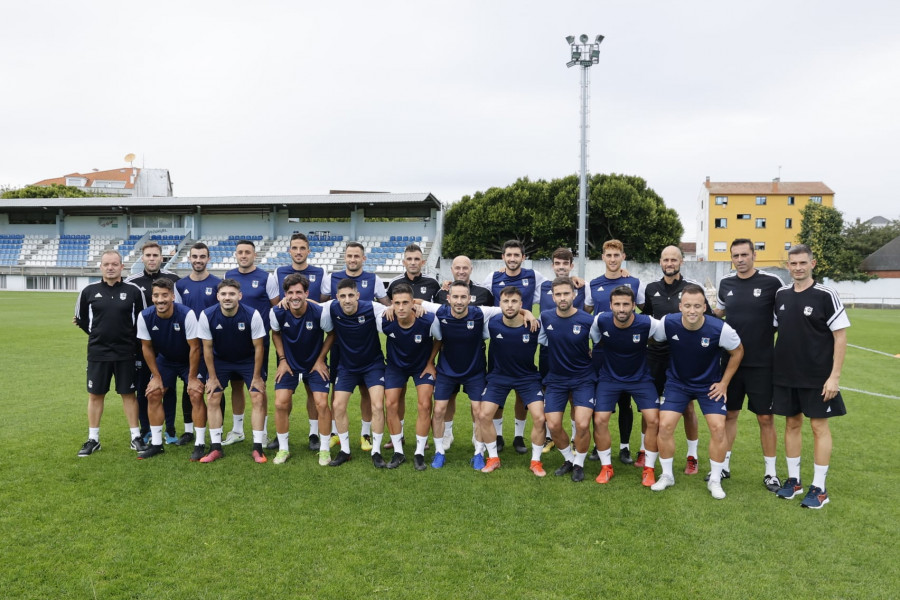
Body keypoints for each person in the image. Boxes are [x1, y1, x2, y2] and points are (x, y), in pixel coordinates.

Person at [772, 244, 849, 509]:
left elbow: (840, 336)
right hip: (785, 374)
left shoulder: (826, 294)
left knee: (818, 427)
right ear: (787, 265)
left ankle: (819, 487)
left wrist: (834, 377)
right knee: (791, 424)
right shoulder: (781, 294)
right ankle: (794, 481)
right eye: (793, 264)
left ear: (813, 264)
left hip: (817, 376)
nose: (798, 268)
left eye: (803, 263)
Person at [650, 284, 744, 500]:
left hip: (708, 385)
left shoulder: (719, 329)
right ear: (680, 306)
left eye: (697, 306)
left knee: (718, 428)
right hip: (677, 383)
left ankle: (715, 479)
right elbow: (653, 339)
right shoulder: (668, 323)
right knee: (664, 425)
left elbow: (738, 352)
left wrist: (724, 383)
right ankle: (666, 475)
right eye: (688, 306)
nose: (692, 310)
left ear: (705, 308)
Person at [426, 280, 523, 469]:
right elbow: (417, 302)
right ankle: (439, 451)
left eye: (463, 297)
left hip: (475, 371)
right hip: (446, 371)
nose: (459, 301)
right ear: (448, 298)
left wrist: (526, 312)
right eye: (455, 297)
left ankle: (479, 452)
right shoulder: (440, 312)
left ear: (470, 298)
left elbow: (506, 310)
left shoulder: (479, 313)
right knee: (438, 411)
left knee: (479, 412)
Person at [713, 238, 784, 492]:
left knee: (765, 417)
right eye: (735, 256)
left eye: (745, 254)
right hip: (731, 362)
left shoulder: (772, 283)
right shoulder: (725, 283)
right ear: (731, 258)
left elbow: (781, 318)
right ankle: (723, 466)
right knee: (729, 414)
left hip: (762, 363)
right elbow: (718, 314)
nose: (740, 259)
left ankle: (771, 473)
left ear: (754, 255)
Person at [479, 240, 551, 453]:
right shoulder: (492, 277)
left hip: (525, 334)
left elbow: (554, 288)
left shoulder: (534, 276)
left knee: (522, 395)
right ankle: (499, 436)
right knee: (497, 398)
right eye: (508, 254)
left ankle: (518, 437)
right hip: (500, 336)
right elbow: (474, 296)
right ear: (503, 257)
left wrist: (527, 313)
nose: (512, 258)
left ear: (523, 257)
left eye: (516, 255)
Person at [74, 250, 148, 456]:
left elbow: (142, 321)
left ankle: (135, 437)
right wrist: (100, 335)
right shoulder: (88, 291)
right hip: (98, 353)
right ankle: (93, 439)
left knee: (128, 394)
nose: (110, 267)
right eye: (106, 264)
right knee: (96, 394)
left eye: (115, 264)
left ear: (122, 267)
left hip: (126, 353)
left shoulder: (134, 291)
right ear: (101, 266)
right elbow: (81, 320)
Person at [642, 245, 708, 474]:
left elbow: (704, 320)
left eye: (674, 260)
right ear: (660, 262)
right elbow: (645, 319)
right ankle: (644, 449)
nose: (669, 263)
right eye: (665, 260)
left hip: (682, 357)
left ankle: (692, 455)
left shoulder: (692, 289)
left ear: (681, 262)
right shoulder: (651, 288)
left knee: (688, 407)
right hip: (655, 356)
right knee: (649, 405)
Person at [589, 285, 662, 487]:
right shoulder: (601, 320)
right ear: (610, 305)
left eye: (626, 304)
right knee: (600, 418)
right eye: (617, 304)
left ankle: (649, 469)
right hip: (609, 378)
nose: (621, 309)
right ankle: (606, 467)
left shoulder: (648, 323)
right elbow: (596, 339)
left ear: (633, 306)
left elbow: (666, 334)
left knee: (654, 420)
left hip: (640, 379)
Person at [321, 241, 390, 453]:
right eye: (349, 255)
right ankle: (339, 440)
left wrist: (407, 307)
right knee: (337, 399)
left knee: (370, 397)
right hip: (343, 354)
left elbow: (389, 306)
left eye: (356, 256)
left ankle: (366, 436)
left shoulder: (373, 288)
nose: (352, 259)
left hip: (370, 353)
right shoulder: (331, 285)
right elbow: (317, 305)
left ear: (363, 258)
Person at [584, 240, 645, 465]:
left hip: (627, 351)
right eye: (608, 255)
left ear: (623, 256)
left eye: (616, 255)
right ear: (603, 257)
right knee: (599, 402)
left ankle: (625, 447)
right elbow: (586, 313)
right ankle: (597, 445)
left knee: (624, 401)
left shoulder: (634, 282)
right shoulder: (594, 284)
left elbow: (643, 311)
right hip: (601, 350)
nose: (612, 259)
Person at [196, 279, 268, 463]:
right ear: (218, 296)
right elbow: (207, 348)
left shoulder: (252, 315)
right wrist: (211, 377)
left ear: (239, 296)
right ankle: (215, 448)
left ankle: (258, 448)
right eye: (224, 294)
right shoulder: (207, 315)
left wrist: (257, 377)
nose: (228, 297)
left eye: (232, 294)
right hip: (221, 360)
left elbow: (259, 347)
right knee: (213, 396)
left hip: (248, 359)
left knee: (258, 396)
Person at [481, 286, 548, 476]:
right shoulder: (492, 324)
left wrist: (529, 314)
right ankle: (493, 458)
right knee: (484, 415)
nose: (509, 306)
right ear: (499, 303)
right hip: (498, 377)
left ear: (521, 304)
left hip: (527, 378)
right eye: (505, 301)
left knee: (540, 417)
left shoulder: (534, 326)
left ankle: (536, 461)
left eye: (514, 302)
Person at [136, 278, 205, 460]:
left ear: (173, 296)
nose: (160, 300)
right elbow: (147, 348)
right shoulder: (145, 316)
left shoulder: (186, 314)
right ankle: (157, 444)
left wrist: (192, 378)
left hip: (189, 360)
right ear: (152, 297)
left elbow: (195, 347)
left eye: (165, 295)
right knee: (153, 393)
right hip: (166, 360)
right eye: (157, 296)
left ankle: (199, 443)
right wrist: (156, 377)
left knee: (195, 394)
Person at [538, 276, 597, 482]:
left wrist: (592, 353)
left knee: (582, 424)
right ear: (553, 297)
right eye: (558, 294)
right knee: (553, 425)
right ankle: (568, 460)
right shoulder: (545, 317)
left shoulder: (587, 320)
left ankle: (579, 463)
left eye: (566, 293)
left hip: (583, 379)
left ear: (574, 294)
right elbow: (540, 337)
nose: (562, 298)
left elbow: (599, 345)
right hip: (556, 379)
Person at [222, 240, 280, 448]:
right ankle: (237, 430)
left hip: (258, 343)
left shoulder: (266, 277)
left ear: (254, 255)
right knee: (236, 386)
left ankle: (262, 433)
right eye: (240, 252)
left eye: (247, 252)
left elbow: (277, 306)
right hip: (232, 342)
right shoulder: (229, 276)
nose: (244, 255)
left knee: (258, 387)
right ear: (235, 255)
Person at [270, 274, 332, 466]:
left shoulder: (319, 312)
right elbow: (276, 333)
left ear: (306, 293)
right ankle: (283, 448)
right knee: (280, 403)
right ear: (285, 294)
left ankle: (324, 449)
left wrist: (321, 360)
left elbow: (331, 334)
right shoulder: (277, 312)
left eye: (299, 292)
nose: (295, 296)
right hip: (289, 364)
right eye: (290, 293)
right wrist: (282, 359)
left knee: (321, 403)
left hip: (314, 364)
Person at [433, 255, 493, 451]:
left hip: (474, 363)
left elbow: (501, 311)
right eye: (457, 267)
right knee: (444, 403)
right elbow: (423, 306)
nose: (461, 270)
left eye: (464, 267)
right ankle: (446, 436)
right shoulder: (440, 297)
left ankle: (479, 443)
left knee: (477, 408)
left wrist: (526, 312)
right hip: (447, 364)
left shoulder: (483, 296)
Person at [274, 233, 327, 451]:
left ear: (308, 250)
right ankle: (280, 438)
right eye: (294, 247)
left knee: (314, 395)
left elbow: (325, 303)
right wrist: (282, 359)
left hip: (313, 347)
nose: (298, 251)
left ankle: (314, 435)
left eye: (302, 248)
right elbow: (275, 311)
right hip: (290, 351)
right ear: (289, 251)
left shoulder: (320, 273)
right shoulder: (278, 273)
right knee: (281, 400)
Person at [384, 244, 441, 448]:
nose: (413, 262)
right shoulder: (394, 283)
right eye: (409, 259)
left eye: (417, 259)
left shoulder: (433, 283)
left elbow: (438, 311)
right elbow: (387, 307)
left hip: (422, 354)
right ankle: (397, 438)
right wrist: (393, 307)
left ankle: (423, 440)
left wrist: (421, 306)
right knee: (394, 399)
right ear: (404, 261)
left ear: (423, 262)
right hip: (398, 354)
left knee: (425, 401)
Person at [125, 241, 181, 445]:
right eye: (148, 255)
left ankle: (171, 430)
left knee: (169, 389)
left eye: (155, 255)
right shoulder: (131, 282)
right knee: (144, 389)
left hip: (168, 344)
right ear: (142, 258)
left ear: (161, 257)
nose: (151, 259)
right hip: (142, 345)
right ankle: (146, 430)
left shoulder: (174, 279)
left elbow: (181, 311)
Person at [379, 283, 437, 470]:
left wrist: (430, 363)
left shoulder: (427, 320)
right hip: (396, 367)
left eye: (405, 302)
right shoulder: (386, 321)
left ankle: (419, 452)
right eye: (397, 303)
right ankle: (398, 451)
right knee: (390, 404)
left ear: (413, 303)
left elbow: (439, 339)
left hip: (422, 367)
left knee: (425, 403)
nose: (401, 307)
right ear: (392, 305)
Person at [534, 247, 585, 455]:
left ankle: (574, 439)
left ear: (571, 265)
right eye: (557, 263)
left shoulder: (583, 286)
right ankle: (549, 437)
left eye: (565, 263)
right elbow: (519, 295)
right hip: (549, 350)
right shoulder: (543, 286)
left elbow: (590, 310)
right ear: (552, 266)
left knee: (574, 396)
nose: (561, 267)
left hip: (575, 351)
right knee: (548, 392)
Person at [174, 242, 222, 447]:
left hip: (213, 345)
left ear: (208, 259)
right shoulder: (181, 285)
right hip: (190, 345)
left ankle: (217, 430)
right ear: (189, 259)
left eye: (202, 256)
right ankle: (188, 430)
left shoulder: (218, 283)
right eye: (194, 256)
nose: (198, 260)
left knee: (215, 387)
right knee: (190, 386)